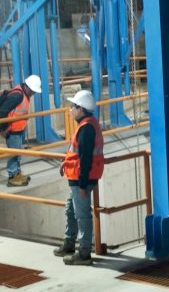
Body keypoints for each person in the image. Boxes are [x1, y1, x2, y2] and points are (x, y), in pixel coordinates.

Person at [53, 90, 104, 266]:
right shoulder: (86, 125)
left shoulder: (87, 128)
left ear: (81, 109)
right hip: (78, 178)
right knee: (70, 210)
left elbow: (86, 158)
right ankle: (69, 244)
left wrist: (82, 185)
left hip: (81, 180)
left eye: (73, 106)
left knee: (82, 216)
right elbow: (76, 153)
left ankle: (84, 254)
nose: (71, 109)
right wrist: (64, 163)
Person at [0, 75, 42, 187]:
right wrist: (3, 129)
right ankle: (13, 176)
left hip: (17, 130)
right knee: (14, 154)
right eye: (33, 91)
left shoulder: (24, 94)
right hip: (11, 130)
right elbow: (2, 112)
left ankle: (17, 173)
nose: (34, 94)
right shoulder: (17, 95)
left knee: (18, 153)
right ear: (28, 87)